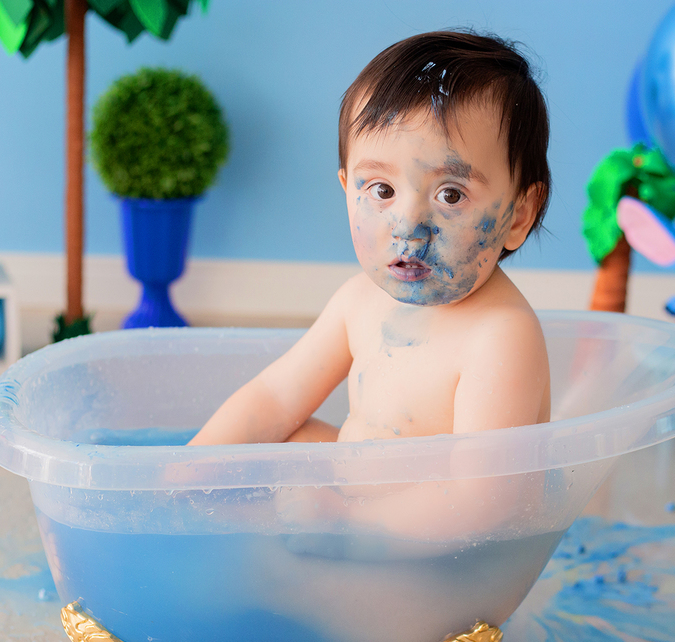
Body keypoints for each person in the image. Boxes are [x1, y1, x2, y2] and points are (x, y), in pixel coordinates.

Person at [189, 30, 552, 451]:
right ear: (346, 189)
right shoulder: (358, 302)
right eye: (382, 190)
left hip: (437, 511)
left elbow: (481, 502)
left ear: (518, 215)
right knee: (284, 439)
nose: (408, 225)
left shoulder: (500, 337)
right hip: (365, 491)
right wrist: (188, 469)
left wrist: (347, 511)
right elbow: (274, 398)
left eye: (450, 194)